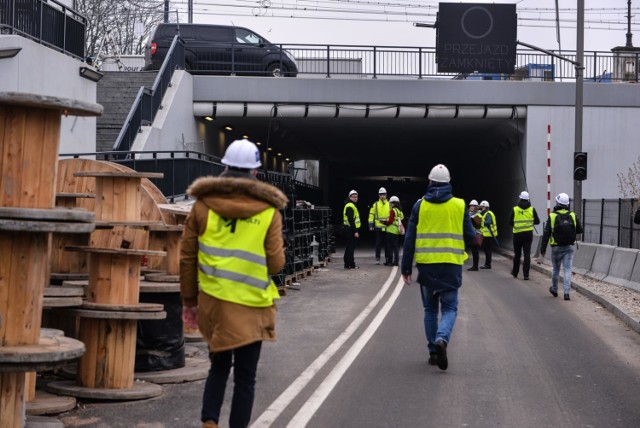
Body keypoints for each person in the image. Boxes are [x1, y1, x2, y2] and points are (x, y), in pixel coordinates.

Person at [180, 139, 287, 428]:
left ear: (224, 168)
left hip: (214, 303)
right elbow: (276, 263)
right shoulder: (269, 211)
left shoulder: (202, 207)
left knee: (218, 367)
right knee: (245, 378)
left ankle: (209, 422)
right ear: (255, 173)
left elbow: (187, 257)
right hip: (253, 305)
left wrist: (190, 303)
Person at [401, 164, 476, 371]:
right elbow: (470, 236)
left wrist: (405, 268)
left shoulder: (419, 206)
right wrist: (478, 237)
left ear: (430, 182)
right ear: (449, 183)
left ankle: (433, 351)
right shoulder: (460, 206)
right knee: (450, 308)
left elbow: (409, 238)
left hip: (426, 267)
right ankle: (442, 339)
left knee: (430, 309)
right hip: (450, 266)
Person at [540, 192, 584, 301]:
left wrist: (543, 249)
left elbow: (546, 233)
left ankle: (554, 289)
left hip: (556, 247)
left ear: (557, 203)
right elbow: (580, 230)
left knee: (556, 269)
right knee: (568, 269)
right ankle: (566, 293)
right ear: (567, 204)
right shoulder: (573, 215)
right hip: (569, 246)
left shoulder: (553, 215)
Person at [509, 191, 540, 280]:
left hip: (517, 234)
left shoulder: (515, 209)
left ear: (520, 198)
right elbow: (537, 221)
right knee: (527, 255)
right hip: (528, 235)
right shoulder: (532, 209)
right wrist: (530, 221)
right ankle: (526, 275)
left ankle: (515, 273)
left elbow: (510, 222)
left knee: (517, 254)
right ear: (528, 199)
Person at [368, 187, 391, 265]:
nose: (382, 196)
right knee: (378, 244)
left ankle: (387, 259)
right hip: (378, 228)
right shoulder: (376, 204)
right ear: (379, 195)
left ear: (386, 195)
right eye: (381, 194)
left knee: (387, 244)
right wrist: (371, 225)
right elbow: (371, 214)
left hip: (387, 227)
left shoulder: (390, 204)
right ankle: (377, 259)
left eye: (384, 194)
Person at [343, 189, 361, 269]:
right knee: (351, 247)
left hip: (348, 229)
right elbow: (351, 220)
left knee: (348, 247)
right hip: (350, 229)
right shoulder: (350, 206)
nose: (355, 198)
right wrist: (355, 231)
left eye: (356, 197)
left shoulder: (350, 205)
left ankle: (347, 264)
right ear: (350, 197)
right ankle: (351, 264)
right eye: (353, 197)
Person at [385, 195, 404, 266]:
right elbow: (401, 219)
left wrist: (386, 223)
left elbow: (390, 221)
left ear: (393, 203)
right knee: (396, 247)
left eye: (391, 203)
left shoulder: (393, 211)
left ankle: (390, 261)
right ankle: (396, 261)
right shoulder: (400, 211)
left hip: (390, 231)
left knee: (390, 247)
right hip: (397, 231)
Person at [478, 200, 498, 269]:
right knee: (487, 249)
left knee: (487, 250)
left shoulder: (488, 213)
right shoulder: (485, 214)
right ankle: (487, 264)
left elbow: (488, 222)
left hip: (488, 235)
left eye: (482, 207)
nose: (481, 209)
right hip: (487, 235)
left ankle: (488, 264)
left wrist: (481, 223)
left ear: (485, 207)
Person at [467, 199, 482, 271]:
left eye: (473, 206)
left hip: (476, 234)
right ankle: (474, 266)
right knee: (473, 251)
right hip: (471, 234)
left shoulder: (477, 215)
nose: (471, 207)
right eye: (471, 206)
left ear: (476, 207)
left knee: (475, 251)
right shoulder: (469, 214)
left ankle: (475, 266)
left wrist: (473, 220)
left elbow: (479, 225)